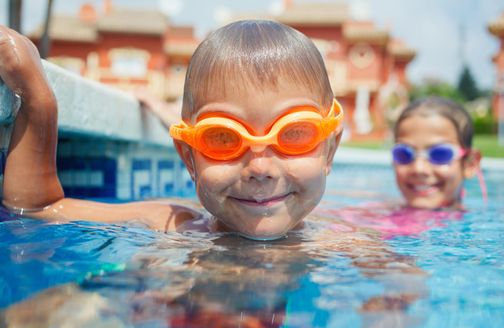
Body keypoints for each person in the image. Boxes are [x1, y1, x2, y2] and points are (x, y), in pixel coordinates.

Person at [0, 20, 342, 241]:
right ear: (189, 159)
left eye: (294, 134)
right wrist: (37, 100)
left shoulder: (347, 248)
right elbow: (37, 209)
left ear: (330, 148)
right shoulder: (172, 225)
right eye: (222, 138)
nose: (261, 169)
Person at [391, 96, 483, 209]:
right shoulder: (374, 215)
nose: (418, 169)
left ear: (470, 164)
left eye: (440, 154)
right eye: (404, 154)